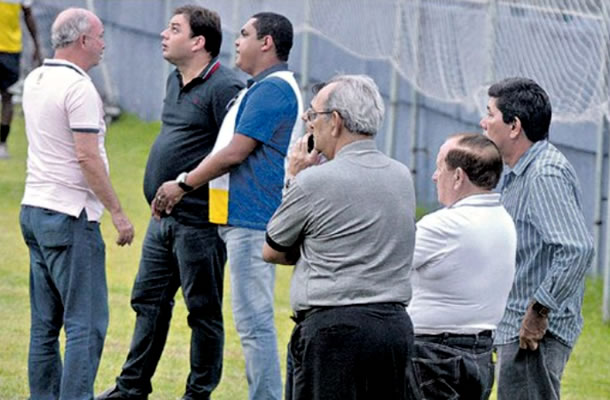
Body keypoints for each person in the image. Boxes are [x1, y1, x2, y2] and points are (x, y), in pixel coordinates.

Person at [95, 6, 243, 400]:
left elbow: (233, 152)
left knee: (203, 312)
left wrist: (184, 185)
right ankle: (131, 388)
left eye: (174, 29)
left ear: (198, 42)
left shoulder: (226, 88)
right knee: (148, 303)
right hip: (162, 220)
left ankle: (198, 394)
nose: (163, 34)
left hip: (200, 224)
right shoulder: (173, 81)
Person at [153, 12, 302, 400]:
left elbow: (235, 152)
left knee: (254, 324)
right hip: (239, 219)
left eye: (245, 34)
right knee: (250, 322)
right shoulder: (261, 87)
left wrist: (183, 183)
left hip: (253, 221)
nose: (237, 41)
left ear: (266, 43)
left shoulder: (273, 89)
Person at [262, 74, 416, 400]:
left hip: (334, 332)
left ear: (335, 122)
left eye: (313, 116)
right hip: (393, 328)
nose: (309, 126)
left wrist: (294, 177)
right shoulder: (402, 175)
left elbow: (273, 248)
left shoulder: (313, 182)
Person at [19, 7, 134, 399]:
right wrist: (118, 212)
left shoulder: (35, 78)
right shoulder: (80, 87)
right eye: (100, 37)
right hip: (70, 215)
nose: (103, 44)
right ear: (84, 40)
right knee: (86, 323)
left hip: (34, 209)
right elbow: (87, 157)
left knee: (44, 326)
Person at [480, 77, 594, 400]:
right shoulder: (523, 170)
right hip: (516, 327)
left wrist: (539, 310)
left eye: (490, 113)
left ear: (514, 126)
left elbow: (576, 249)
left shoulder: (544, 174)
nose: (483, 122)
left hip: (531, 335)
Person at [407, 133, 516, 400]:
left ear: (458, 176)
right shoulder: (503, 220)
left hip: (433, 355)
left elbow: (385, 265)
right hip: (479, 355)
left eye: (439, 167)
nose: (434, 176)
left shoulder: (444, 225)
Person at [0, 0, 41, 158]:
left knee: (8, 95)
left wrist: (36, 45)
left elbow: (28, 14)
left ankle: (2, 142)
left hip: (11, 49)